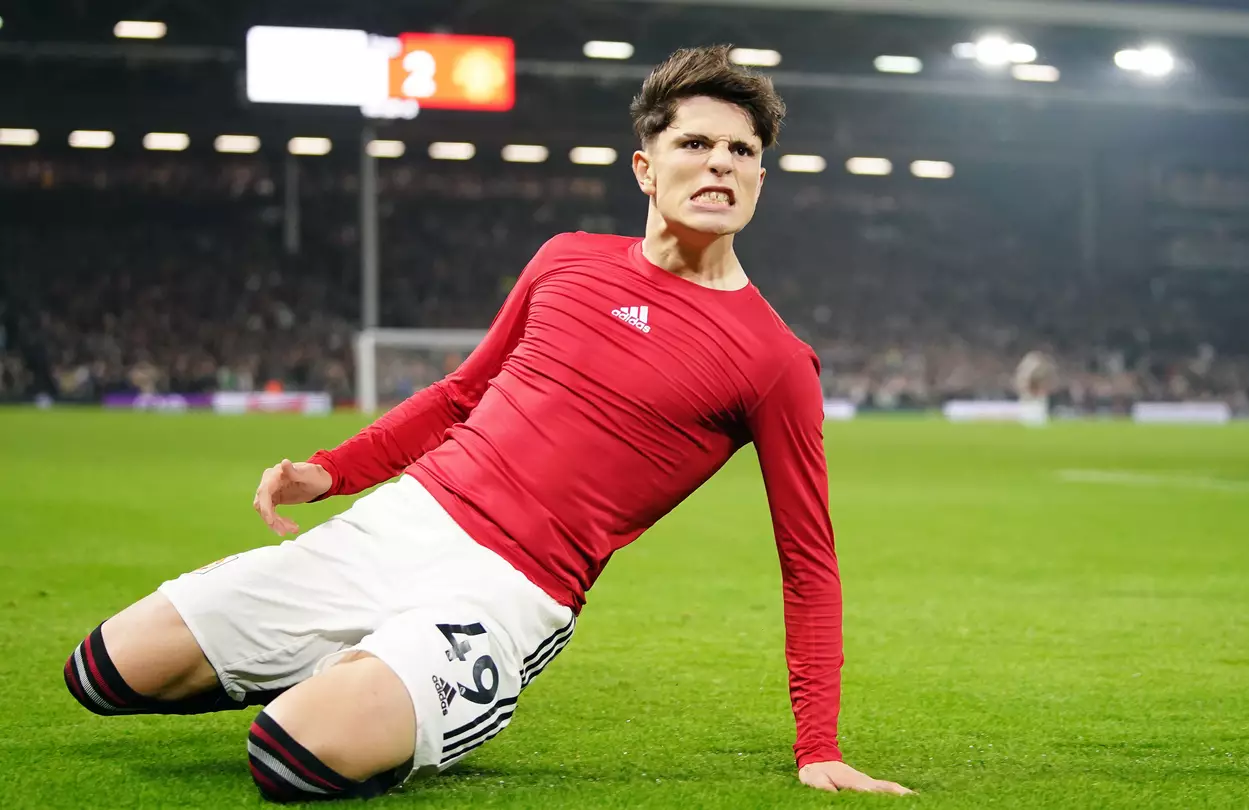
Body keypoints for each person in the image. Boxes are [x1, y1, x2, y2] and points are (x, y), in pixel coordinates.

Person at [62, 45, 912, 800]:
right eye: (695, 143)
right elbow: (463, 394)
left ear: (762, 179)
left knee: (287, 759)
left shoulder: (775, 360)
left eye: (743, 151)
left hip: (509, 591)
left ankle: (404, 688)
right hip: (398, 526)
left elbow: (808, 563)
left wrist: (818, 745)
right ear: (646, 167)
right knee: (102, 672)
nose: (721, 163)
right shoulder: (566, 259)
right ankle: (346, 665)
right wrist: (333, 470)